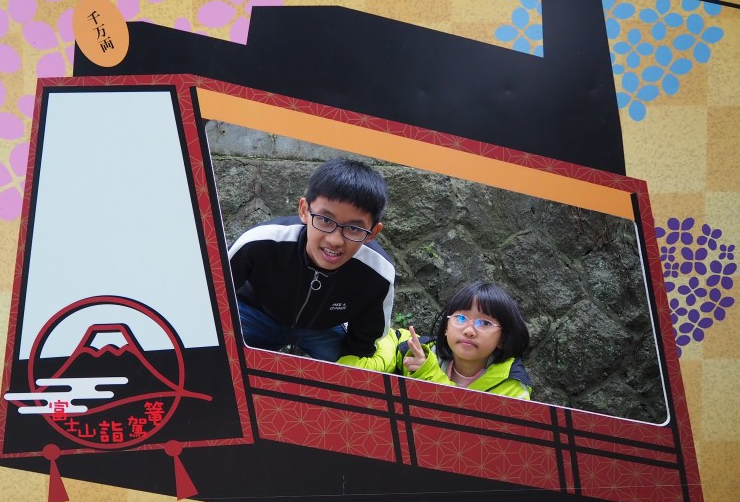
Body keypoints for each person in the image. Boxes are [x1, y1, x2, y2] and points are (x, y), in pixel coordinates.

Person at [228, 158, 395, 361]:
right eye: (325, 220)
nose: (335, 240)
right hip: (257, 314)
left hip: (322, 329)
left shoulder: (379, 272)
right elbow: (213, 294)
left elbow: (364, 341)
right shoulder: (261, 241)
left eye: (354, 228)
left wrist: (349, 365)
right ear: (304, 211)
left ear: (372, 232)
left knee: (346, 372)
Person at [340, 281, 532, 399]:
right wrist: (344, 372)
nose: (469, 331)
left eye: (484, 323)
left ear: (503, 339)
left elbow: (464, 421)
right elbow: (389, 339)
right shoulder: (422, 350)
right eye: (461, 318)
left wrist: (428, 374)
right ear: (447, 327)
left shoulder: (512, 386)